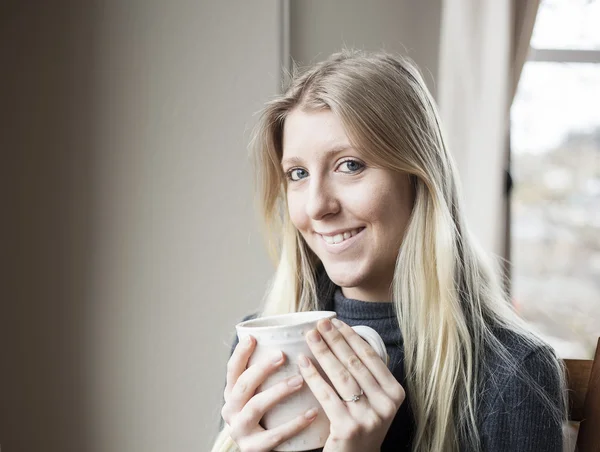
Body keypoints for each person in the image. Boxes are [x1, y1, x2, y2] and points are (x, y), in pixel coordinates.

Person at [211, 49, 566, 452]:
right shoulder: (260, 349)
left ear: (418, 178)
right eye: (298, 173)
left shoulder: (511, 373)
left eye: (349, 165)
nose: (316, 206)